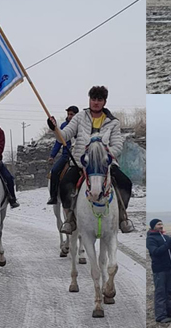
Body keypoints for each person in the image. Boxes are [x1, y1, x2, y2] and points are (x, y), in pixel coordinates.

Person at [48, 86, 125, 234]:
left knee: (124, 182)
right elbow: (64, 136)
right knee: (65, 184)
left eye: (99, 99)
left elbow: (117, 145)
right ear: (89, 100)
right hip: (80, 164)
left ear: (104, 102)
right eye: (93, 99)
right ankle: (70, 219)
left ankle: (122, 218)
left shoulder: (113, 122)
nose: (96, 102)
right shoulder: (79, 117)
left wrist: (103, 156)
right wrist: (55, 129)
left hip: (104, 165)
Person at [147, 219, 171, 324]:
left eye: (161, 224)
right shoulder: (150, 239)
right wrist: (169, 243)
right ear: (153, 226)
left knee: (168, 291)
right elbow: (155, 252)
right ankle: (160, 315)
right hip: (159, 269)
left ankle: (170, 312)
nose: (161, 226)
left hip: (169, 267)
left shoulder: (165, 237)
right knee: (160, 292)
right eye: (158, 224)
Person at [47, 106, 78, 205]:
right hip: (66, 156)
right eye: (68, 114)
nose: (69, 116)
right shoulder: (64, 126)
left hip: (78, 156)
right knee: (55, 171)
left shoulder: (81, 126)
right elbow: (58, 142)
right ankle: (53, 196)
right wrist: (52, 155)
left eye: (72, 114)